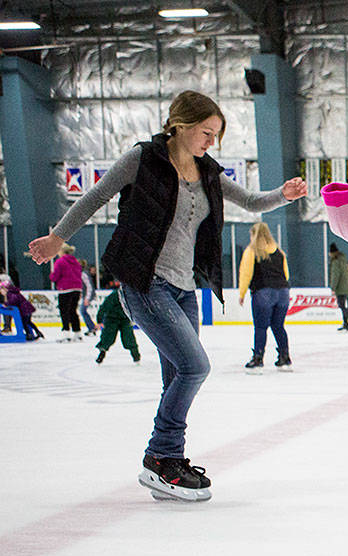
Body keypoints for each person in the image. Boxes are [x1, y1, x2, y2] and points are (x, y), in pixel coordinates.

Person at [27, 90, 307, 501]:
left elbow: (249, 201)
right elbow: (95, 196)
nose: (212, 142)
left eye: (216, 135)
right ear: (181, 125)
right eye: (207, 132)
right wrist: (57, 238)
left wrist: (283, 194)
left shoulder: (208, 172)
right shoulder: (142, 159)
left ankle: (169, 462)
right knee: (195, 367)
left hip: (185, 288)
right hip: (145, 281)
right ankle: (160, 457)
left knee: (176, 376)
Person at [238, 222, 293, 370]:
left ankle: (258, 358)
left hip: (263, 291)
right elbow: (286, 274)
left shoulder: (252, 251)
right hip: (283, 292)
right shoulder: (279, 252)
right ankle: (285, 357)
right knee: (278, 326)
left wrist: (242, 293)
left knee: (261, 327)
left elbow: (246, 273)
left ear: (253, 234)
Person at [94, 282, 141, 364]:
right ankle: (102, 353)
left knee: (129, 338)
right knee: (107, 338)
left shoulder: (132, 296)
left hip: (125, 319)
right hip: (111, 319)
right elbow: (104, 307)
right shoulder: (114, 295)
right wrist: (99, 321)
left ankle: (136, 356)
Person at [48, 243, 84, 340]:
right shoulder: (76, 262)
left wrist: (51, 276)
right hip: (77, 289)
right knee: (73, 311)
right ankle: (77, 332)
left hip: (65, 289)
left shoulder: (60, 261)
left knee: (64, 311)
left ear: (61, 251)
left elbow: (55, 276)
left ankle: (66, 333)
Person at [0, 273, 42, 341]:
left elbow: (13, 300)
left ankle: (30, 334)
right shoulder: (12, 292)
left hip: (25, 310)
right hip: (26, 309)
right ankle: (37, 332)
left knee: (25, 323)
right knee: (28, 322)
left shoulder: (10, 293)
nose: (1, 292)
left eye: (1, 290)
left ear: (5, 289)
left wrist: (6, 304)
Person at [327, 243, 348, 331]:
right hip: (346, 285)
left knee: (342, 305)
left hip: (340, 287)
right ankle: (346, 323)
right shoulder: (343, 260)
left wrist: (333, 287)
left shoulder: (335, 261)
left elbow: (335, 275)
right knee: (343, 305)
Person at [79, 260, 99, 337]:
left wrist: (87, 298)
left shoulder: (84, 274)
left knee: (82, 311)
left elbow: (90, 286)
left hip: (88, 295)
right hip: (87, 295)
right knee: (83, 311)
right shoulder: (82, 273)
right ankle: (92, 328)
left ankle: (92, 328)